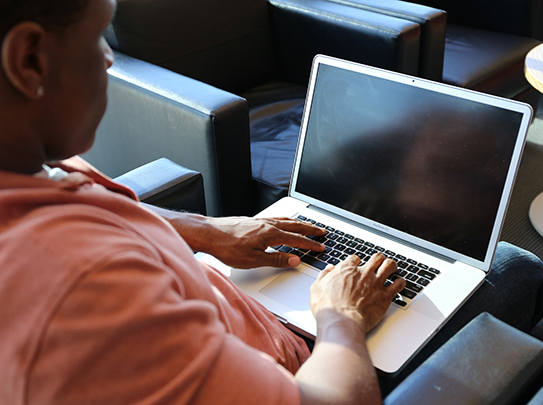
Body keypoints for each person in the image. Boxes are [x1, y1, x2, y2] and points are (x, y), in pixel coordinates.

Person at [0, 1, 541, 404]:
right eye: (98, 37)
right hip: (313, 369)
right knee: (518, 267)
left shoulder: (30, 166)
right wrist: (341, 319)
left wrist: (203, 229)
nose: (111, 60)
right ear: (29, 62)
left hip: (249, 311)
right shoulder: (81, 291)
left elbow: (93, 203)